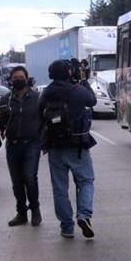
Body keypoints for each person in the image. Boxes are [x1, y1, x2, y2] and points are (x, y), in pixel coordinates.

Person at [37, 60, 97, 239]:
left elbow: (39, 114)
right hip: (77, 145)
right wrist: (83, 81)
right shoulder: (77, 90)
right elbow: (92, 101)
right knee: (86, 181)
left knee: (60, 188)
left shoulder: (47, 92)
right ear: (69, 72)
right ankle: (84, 215)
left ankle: (66, 227)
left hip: (55, 146)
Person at [0, 65, 43, 227]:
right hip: (12, 144)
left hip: (32, 143)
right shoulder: (6, 99)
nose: (18, 80)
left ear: (27, 78)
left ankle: (35, 210)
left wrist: (42, 138)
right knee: (16, 181)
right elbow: (0, 122)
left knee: (30, 177)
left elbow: (44, 120)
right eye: (15, 78)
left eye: (20, 77)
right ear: (10, 80)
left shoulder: (37, 97)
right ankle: (21, 212)